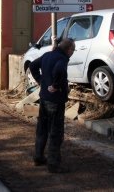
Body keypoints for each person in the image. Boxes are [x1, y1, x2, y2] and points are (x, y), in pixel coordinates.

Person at [29, 38, 76, 173]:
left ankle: (38, 157)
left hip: (43, 99)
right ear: (69, 50)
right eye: (73, 50)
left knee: (42, 129)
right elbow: (59, 70)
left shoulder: (47, 55)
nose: (73, 53)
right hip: (55, 101)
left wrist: (40, 80)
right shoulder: (62, 59)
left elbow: (32, 66)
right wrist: (56, 86)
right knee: (55, 133)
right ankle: (53, 165)